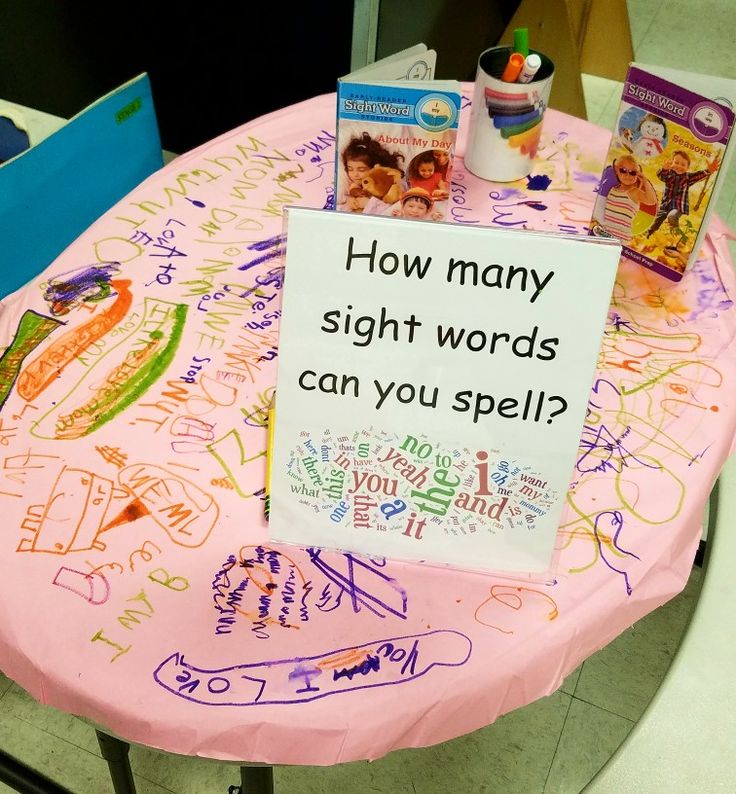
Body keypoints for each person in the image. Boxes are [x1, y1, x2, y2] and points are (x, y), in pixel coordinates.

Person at [646, 150, 719, 237]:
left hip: (678, 206)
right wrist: (664, 169)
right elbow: (661, 176)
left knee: (672, 216)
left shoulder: (688, 177)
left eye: (683, 165)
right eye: (676, 162)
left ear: (687, 168)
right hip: (666, 205)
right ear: (671, 163)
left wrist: (708, 170)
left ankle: (675, 233)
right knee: (657, 220)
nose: (679, 166)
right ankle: (649, 232)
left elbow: (698, 175)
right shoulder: (669, 175)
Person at [336, 132, 405, 213]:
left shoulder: (387, 184)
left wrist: (369, 203)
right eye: (350, 169)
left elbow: (395, 209)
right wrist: (350, 202)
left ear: (374, 167)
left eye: (361, 170)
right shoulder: (351, 188)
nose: (355, 175)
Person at [601, 155, 657, 243]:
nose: (628, 175)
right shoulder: (612, 190)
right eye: (623, 170)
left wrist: (645, 181)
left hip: (620, 240)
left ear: (637, 175)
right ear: (617, 172)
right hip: (604, 235)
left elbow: (652, 201)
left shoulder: (634, 192)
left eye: (633, 172)